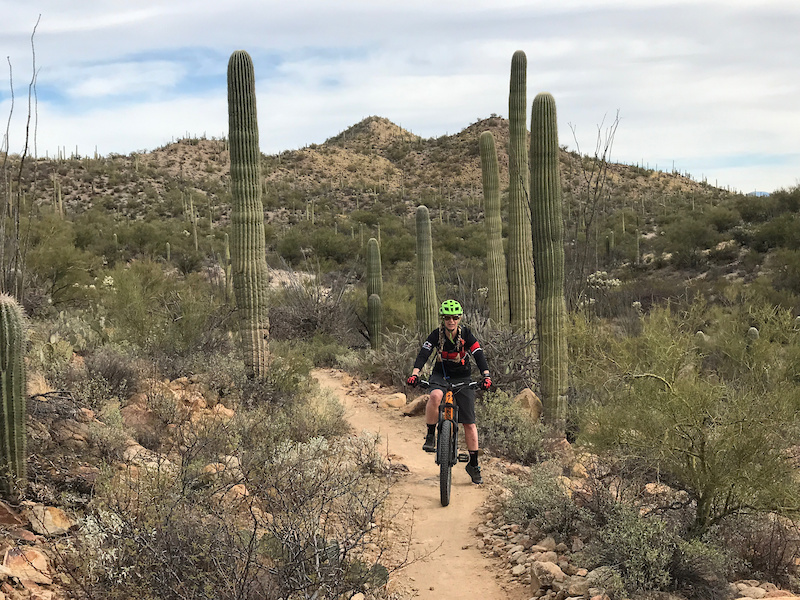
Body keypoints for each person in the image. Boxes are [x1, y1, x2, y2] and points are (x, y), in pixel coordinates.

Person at [406, 299, 492, 484]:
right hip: (441, 375)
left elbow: (478, 354)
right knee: (435, 396)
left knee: (469, 423)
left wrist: (486, 376)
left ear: (459, 318)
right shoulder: (436, 335)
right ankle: (430, 434)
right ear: (442, 319)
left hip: (463, 377)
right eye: (447, 318)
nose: (451, 321)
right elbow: (424, 354)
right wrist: (415, 374)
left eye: (454, 317)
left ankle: (474, 464)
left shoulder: (467, 335)